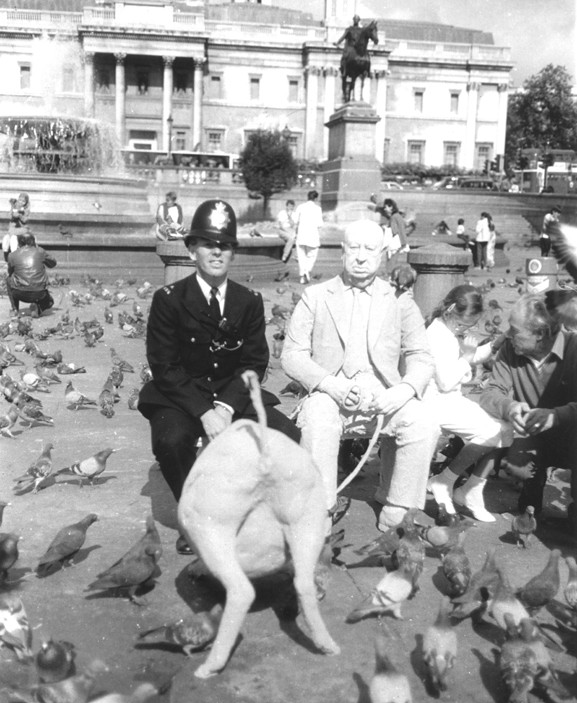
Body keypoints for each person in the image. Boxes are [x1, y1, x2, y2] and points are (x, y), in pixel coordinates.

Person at [139, 199, 300, 553]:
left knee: (286, 434)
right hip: (180, 397)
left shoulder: (249, 301)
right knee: (171, 439)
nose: (217, 252)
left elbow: (255, 361)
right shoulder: (169, 300)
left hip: (233, 395)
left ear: (233, 253)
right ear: (192, 249)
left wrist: (226, 407)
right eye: (209, 244)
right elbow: (164, 366)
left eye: (225, 245)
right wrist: (204, 411)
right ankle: (194, 516)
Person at [281, 218, 438, 531]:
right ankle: (320, 510)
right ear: (342, 251)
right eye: (354, 248)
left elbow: (422, 355)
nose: (362, 256)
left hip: (384, 395)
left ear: (382, 255)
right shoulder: (316, 296)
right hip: (331, 394)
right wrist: (330, 385)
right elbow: (292, 355)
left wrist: (404, 389)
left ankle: (398, 505)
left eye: (370, 249)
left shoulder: (400, 300)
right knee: (318, 418)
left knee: (423, 422)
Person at [479, 294, 577, 528]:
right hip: (532, 434)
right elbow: (490, 392)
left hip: (572, 435)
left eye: (515, 330)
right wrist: (510, 407)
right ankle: (531, 505)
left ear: (540, 334)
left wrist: (556, 416)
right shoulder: (509, 350)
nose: (508, 334)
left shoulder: (575, 349)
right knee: (517, 467)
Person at [424, 286, 512, 521]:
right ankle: (445, 481)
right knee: (493, 431)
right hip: (437, 403)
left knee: (505, 429)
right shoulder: (436, 335)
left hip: (451, 400)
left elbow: (469, 357)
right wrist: (466, 356)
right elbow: (445, 381)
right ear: (451, 311)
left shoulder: (447, 329)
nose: (465, 329)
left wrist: (496, 344)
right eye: (464, 324)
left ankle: (468, 490)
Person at [6, 231, 57, 317]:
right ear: (33, 241)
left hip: (19, 292)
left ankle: (15, 309)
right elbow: (53, 264)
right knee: (50, 302)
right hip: (40, 293)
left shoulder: (12, 255)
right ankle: (38, 308)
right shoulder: (40, 252)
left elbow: (10, 272)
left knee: (8, 279)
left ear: (19, 242)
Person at [294, 189, 324, 284]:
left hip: (301, 236)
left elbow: (295, 221)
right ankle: (307, 271)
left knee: (301, 257)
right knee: (311, 256)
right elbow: (320, 224)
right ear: (316, 198)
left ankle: (302, 275)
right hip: (312, 236)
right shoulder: (318, 209)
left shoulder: (300, 207)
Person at [379, 197, 409, 270]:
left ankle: (390, 276)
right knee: (391, 260)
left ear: (391, 207)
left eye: (386, 207)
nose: (385, 209)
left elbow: (400, 230)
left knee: (391, 262)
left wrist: (404, 243)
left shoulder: (395, 217)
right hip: (394, 242)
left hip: (395, 243)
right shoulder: (395, 216)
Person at [3, 191, 30, 261]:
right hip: (13, 229)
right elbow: (10, 216)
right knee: (6, 239)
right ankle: (7, 259)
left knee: (13, 240)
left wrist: (20, 215)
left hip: (21, 229)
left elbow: (25, 220)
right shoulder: (14, 206)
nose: (21, 202)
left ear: (26, 203)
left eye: (23, 201)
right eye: (20, 200)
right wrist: (12, 209)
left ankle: (13, 260)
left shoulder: (26, 210)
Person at [276, 199, 296, 264]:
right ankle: (285, 255)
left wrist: (290, 217)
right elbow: (281, 226)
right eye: (289, 206)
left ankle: (296, 256)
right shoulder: (282, 213)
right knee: (291, 238)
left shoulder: (294, 214)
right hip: (282, 230)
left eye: (292, 206)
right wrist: (288, 232)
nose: (291, 208)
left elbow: (293, 225)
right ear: (286, 206)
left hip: (290, 230)